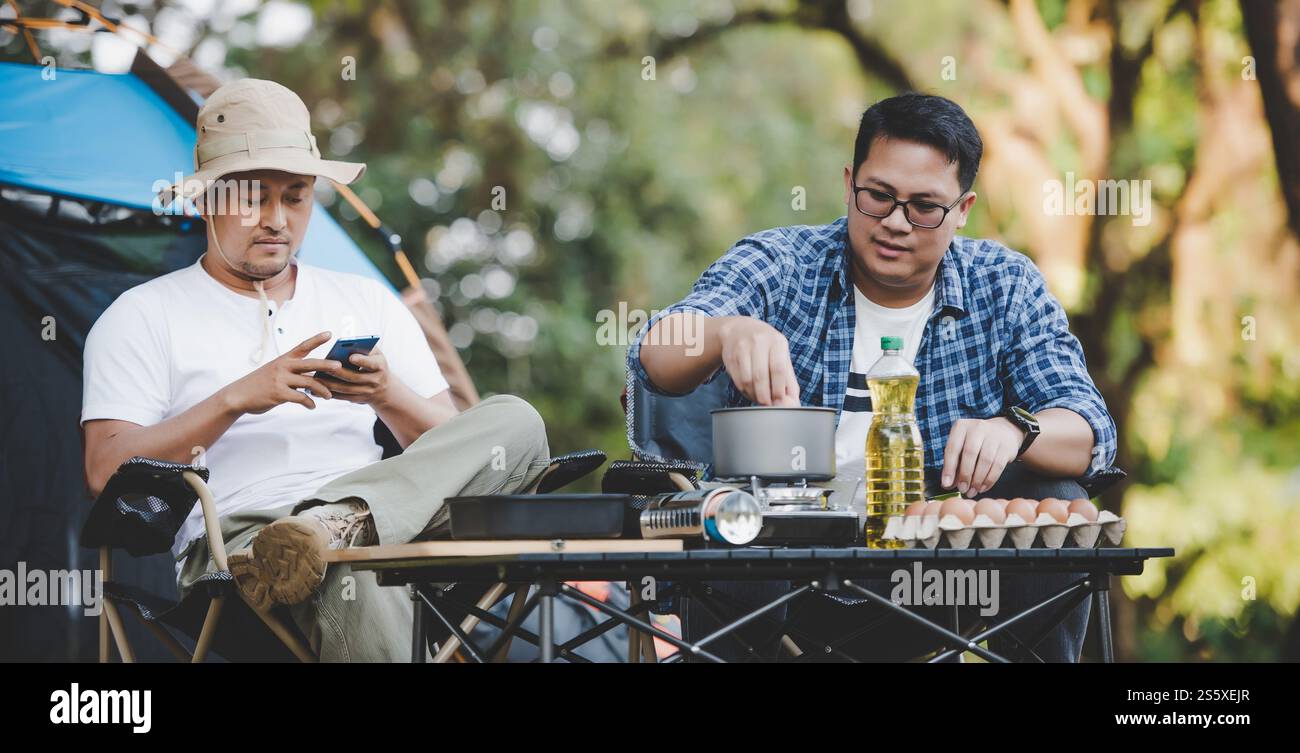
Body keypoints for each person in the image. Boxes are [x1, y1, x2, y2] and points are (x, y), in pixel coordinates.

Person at [629, 93, 1120, 662]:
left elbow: (1089, 430)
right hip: (780, 576)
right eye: (878, 197)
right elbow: (656, 352)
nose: (895, 222)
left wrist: (1016, 430)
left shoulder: (1004, 285)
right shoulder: (786, 262)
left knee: (1057, 500)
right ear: (849, 184)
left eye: (924, 207)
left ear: (963, 209)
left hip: (942, 584)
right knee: (737, 513)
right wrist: (725, 333)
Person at [81, 79, 551, 661]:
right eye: (253, 198)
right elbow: (106, 470)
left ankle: (344, 520)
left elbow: (456, 452)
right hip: (242, 551)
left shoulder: (367, 299)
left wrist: (388, 395)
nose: (277, 219)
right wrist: (235, 400)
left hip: (392, 527)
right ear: (206, 201)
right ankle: (329, 536)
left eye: (296, 197)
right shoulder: (142, 315)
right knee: (349, 578)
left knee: (517, 421)